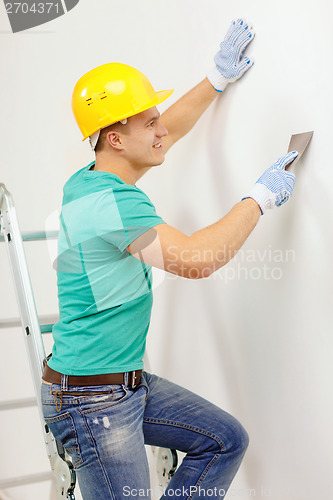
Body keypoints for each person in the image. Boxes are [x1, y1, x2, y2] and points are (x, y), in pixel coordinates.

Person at [41, 19, 297, 499]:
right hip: (90, 397)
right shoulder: (113, 205)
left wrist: (216, 79)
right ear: (116, 138)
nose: (162, 129)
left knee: (223, 441)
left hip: (122, 384)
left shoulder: (92, 178)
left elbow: (164, 136)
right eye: (149, 121)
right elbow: (197, 260)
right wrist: (259, 198)